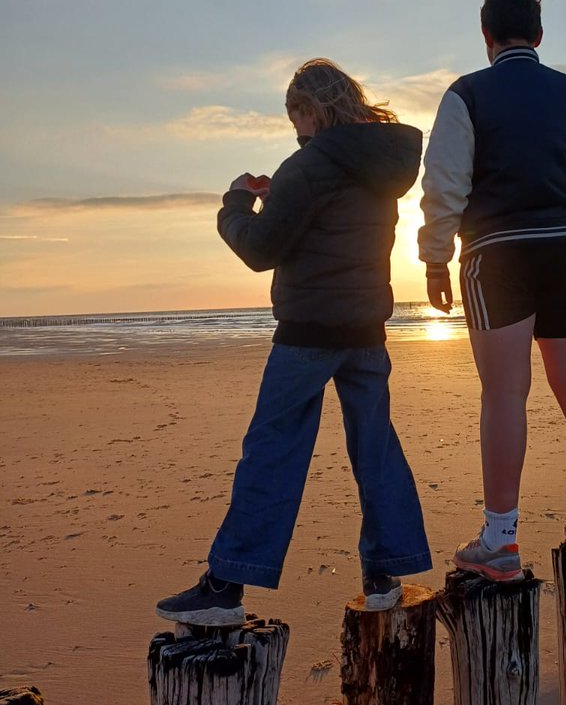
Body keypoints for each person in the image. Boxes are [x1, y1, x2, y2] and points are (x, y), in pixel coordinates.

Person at [157, 58, 432, 625]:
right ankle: (385, 573)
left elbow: (261, 250)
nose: (295, 128)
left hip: (308, 329)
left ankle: (226, 585)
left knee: (274, 451)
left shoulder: (309, 166)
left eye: (296, 115)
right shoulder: (384, 165)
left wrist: (236, 204)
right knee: (374, 447)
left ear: (312, 108)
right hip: (365, 329)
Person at [418, 0, 566, 582]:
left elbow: (444, 185)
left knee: (505, 393)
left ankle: (501, 539)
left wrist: (433, 260)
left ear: (485, 35)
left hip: (497, 254)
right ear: (538, 34)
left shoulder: (466, 95)